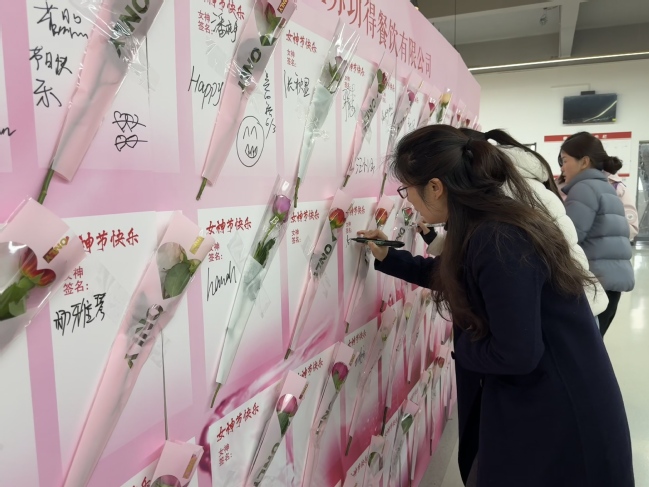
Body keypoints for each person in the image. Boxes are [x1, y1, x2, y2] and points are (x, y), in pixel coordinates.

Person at [360, 125, 634, 487]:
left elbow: (517, 353)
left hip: (560, 411)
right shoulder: (483, 223)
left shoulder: (498, 238)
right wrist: (389, 257)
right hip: (542, 396)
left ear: (435, 187)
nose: (406, 199)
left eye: (406, 189)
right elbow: (459, 275)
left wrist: (463, 351)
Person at [418, 128, 608, 316]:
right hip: (573, 302)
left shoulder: (500, 192)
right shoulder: (512, 183)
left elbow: (483, 252)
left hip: (564, 308)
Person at [560, 132, 635, 336]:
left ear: (584, 162)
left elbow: (569, 237)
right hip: (610, 283)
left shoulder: (583, 189)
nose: (562, 168)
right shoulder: (605, 186)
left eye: (565, 160)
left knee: (581, 348)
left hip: (595, 284)